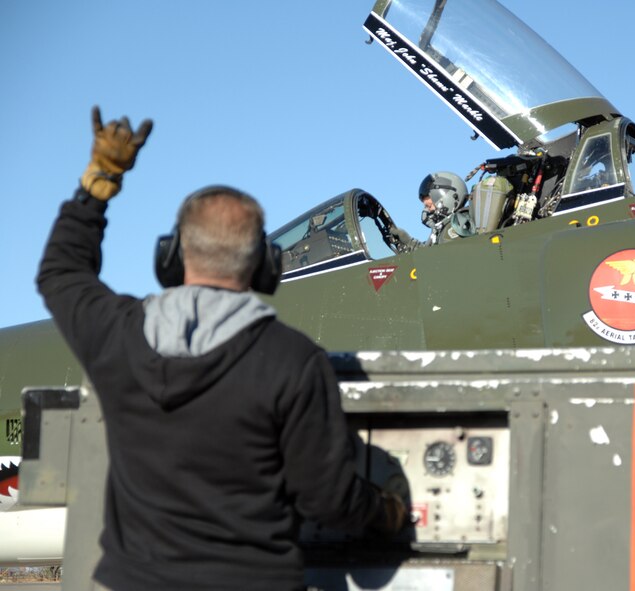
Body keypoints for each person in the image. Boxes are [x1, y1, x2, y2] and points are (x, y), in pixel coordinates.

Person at [37, 107, 407, 591]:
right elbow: (327, 499)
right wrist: (387, 510)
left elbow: (61, 272)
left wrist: (98, 185)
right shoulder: (294, 361)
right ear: (264, 267)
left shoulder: (119, 336)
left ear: (171, 256)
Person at [390, 171, 470, 251]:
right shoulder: (443, 231)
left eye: (429, 206)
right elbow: (428, 253)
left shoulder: (456, 229)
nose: (428, 212)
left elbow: (437, 259)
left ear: (446, 199)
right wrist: (408, 241)